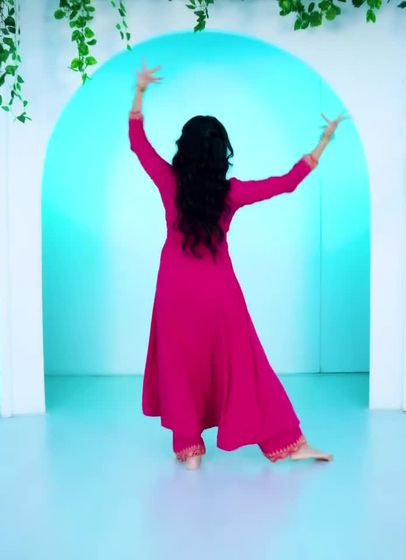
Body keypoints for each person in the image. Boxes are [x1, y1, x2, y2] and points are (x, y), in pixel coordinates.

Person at [129, 60, 345, 470]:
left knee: (180, 363)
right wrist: (324, 142)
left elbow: (138, 143)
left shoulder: (168, 181)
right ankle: (287, 442)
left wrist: (140, 90)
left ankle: (189, 449)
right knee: (245, 365)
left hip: (174, 288)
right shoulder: (231, 193)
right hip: (219, 292)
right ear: (220, 154)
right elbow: (287, 182)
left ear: (184, 149)